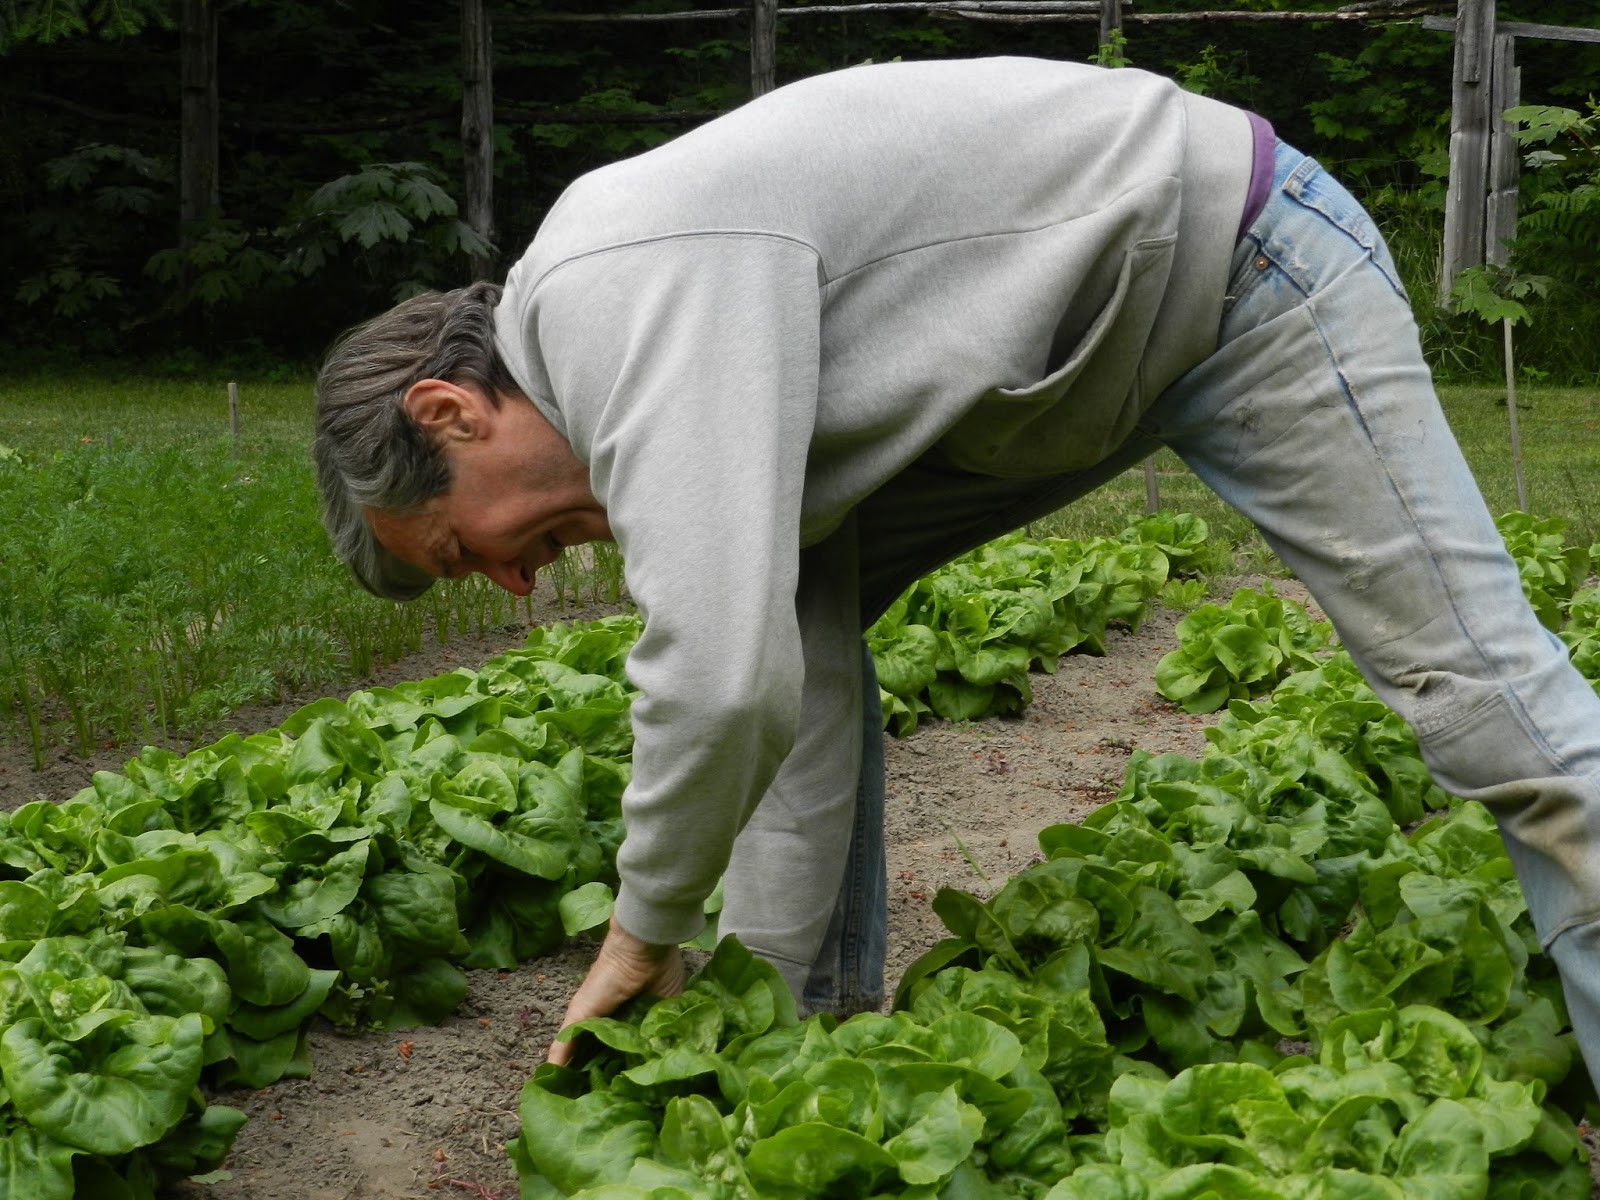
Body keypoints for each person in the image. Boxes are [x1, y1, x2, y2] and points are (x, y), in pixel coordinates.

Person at [313, 55, 1600, 1087]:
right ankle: (795, 1045)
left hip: (1238, 262)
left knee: (1482, 701)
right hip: (1083, 344)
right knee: (795, 619)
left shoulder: (609, 289)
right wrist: (746, 1031)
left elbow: (715, 680)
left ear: (449, 412)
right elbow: (778, 683)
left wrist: (643, 928)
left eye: (454, 552)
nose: (513, 586)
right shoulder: (657, 371)